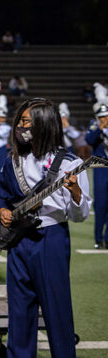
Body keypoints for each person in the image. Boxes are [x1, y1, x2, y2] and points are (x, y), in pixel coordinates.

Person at [0, 98, 91, 358]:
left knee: (58, 314)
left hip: (51, 239)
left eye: (29, 120)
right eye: (20, 120)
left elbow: (82, 213)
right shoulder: (13, 160)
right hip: (19, 243)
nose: (22, 125)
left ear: (46, 123)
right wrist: (2, 212)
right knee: (20, 316)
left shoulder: (70, 162)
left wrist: (74, 192)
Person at [84, 82, 108, 249]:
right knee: (100, 205)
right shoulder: (94, 126)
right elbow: (89, 140)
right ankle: (98, 239)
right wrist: (100, 127)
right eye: (102, 117)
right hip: (101, 169)